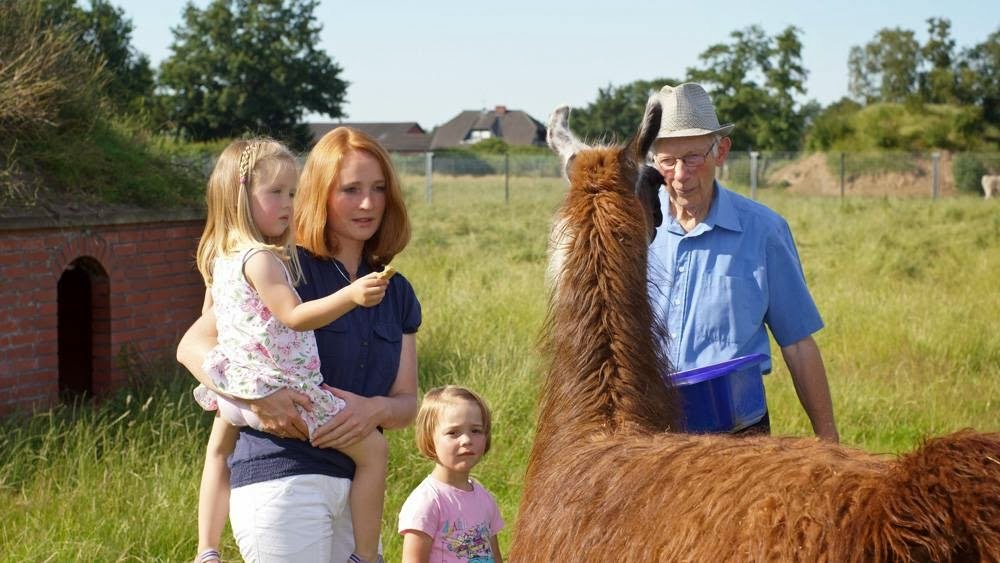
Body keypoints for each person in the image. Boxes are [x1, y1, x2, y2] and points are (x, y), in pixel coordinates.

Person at [177, 127, 421, 563]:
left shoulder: (395, 289)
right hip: (282, 476)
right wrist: (254, 397)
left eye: (379, 188)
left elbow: (407, 403)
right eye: (351, 189)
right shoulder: (282, 268)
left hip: (354, 490)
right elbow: (193, 344)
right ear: (319, 194)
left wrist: (378, 410)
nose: (369, 203)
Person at [643, 83, 839, 442]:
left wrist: (829, 444)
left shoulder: (764, 232)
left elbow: (797, 344)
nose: (681, 176)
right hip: (652, 433)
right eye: (668, 162)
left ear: (722, 152)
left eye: (692, 158)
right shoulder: (636, 230)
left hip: (736, 437)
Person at [398, 386, 504, 563]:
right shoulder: (428, 502)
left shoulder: (485, 499)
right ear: (429, 439)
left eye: (476, 431)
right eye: (453, 433)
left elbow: (495, 556)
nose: (467, 440)